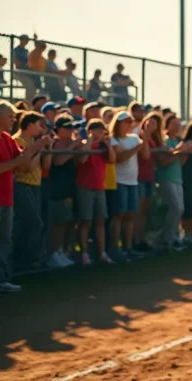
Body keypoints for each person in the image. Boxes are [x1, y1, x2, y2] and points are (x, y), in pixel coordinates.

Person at [0, 101, 48, 293]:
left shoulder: (8, 139)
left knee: (4, 241)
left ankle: (1, 280)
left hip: (7, 198)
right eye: (10, 116)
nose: (14, 120)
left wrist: (39, 145)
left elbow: (22, 163)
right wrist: (18, 160)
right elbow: (11, 164)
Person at [109, 111, 149, 260]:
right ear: (118, 123)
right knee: (118, 215)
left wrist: (144, 139)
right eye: (126, 121)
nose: (130, 124)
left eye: (131, 121)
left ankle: (128, 247)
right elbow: (120, 158)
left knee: (130, 215)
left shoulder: (134, 138)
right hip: (119, 181)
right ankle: (115, 248)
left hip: (133, 181)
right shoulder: (113, 139)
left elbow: (145, 155)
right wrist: (136, 148)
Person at [76, 119, 116, 265]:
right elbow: (82, 159)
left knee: (100, 221)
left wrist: (107, 145)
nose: (99, 134)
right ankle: (84, 254)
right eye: (96, 130)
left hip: (100, 187)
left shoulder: (103, 147)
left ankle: (102, 253)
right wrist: (89, 140)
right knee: (85, 220)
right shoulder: (83, 144)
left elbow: (112, 159)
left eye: (101, 131)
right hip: (84, 187)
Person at [45, 115, 82, 268]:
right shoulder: (55, 143)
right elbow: (58, 161)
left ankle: (63, 252)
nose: (70, 130)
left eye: (71, 127)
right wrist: (73, 147)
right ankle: (53, 254)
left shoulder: (71, 144)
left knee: (69, 222)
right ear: (57, 129)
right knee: (58, 224)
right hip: (57, 189)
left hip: (71, 187)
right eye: (66, 127)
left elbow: (81, 161)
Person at [12, 111, 48, 270]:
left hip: (35, 186)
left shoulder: (34, 141)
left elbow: (46, 166)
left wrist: (46, 147)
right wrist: (38, 148)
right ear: (30, 124)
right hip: (21, 185)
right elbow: (26, 168)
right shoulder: (17, 140)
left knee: (28, 224)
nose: (41, 129)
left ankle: (25, 258)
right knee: (34, 223)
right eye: (39, 125)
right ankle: (29, 259)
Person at [155, 114, 188, 250]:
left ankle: (169, 237)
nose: (177, 126)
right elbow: (163, 161)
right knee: (176, 208)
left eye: (178, 123)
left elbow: (182, 162)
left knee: (179, 209)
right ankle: (165, 239)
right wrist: (178, 152)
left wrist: (182, 153)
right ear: (167, 125)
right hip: (166, 179)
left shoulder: (177, 141)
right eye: (173, 123)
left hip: (177, 178)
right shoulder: (165, 141)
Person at [135, 112, 161, 251]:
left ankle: (143, 239)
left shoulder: (155, 139)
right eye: (148, 122)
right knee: (138, 211)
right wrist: (145, 137)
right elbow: (145, 155)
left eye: (154, 124)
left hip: (149, 177)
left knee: (145, 210)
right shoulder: (140, 137)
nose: (151, 125)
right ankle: (136, 240)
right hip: (139, 177)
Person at [12, 34, 38, 99]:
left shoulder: (26, 51)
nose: (27, 41)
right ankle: (28, 103)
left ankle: (31, 102)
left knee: (34, 86)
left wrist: (35, 40)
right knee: (30, 86)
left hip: (27, 72)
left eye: (27, 40)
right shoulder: (16, 50)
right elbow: (16, 63)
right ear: (21, 40)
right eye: (25, 39)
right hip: (19, 72)